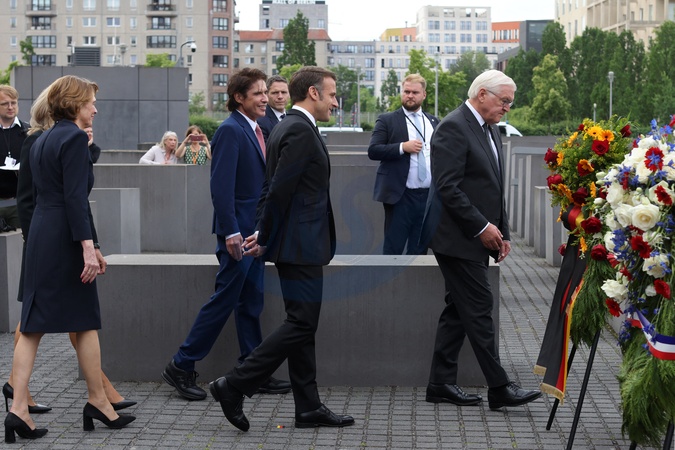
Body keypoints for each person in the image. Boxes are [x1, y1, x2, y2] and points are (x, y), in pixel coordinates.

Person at [209, 66, 354, 432]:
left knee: (302, 325)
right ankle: (234, 384)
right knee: (301, 323)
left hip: (296, 243)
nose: (336, 102)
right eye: (332, 95)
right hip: (300, 245)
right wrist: (265, 235)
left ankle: (308, 407)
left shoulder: (286, 127)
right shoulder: (298, 130)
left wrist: (262, 232)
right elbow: (277, 191)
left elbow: (269, 187)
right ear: (314, 93)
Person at [4, 75, 136, 444]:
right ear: (76, 104)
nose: (95, 109)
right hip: (65, 235)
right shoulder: (75, 138)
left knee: (33, 323)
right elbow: (76, 199)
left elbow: (46, 195)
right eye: (91, 102)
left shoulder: (42, 138)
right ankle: (98, 401)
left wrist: (89, 245)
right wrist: (88, 248)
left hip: (42, 233)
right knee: (85, 319)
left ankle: (18, 409)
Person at [162, 68, 291, 401]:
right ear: (238, 97)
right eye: (258, 93)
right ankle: (181, 364)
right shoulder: (230, 130)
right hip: (237, 235)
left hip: (254, 235)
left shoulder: (256, 129)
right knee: (224, 301)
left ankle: (253, 371)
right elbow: (220, 188)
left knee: (251, 303)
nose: (265, 98)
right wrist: (232, 231)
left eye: (266, 92)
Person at [420, 70, 541, 410]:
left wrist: (502, 232)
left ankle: (440, 384)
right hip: (455, 238)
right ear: (483, 94)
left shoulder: (489, 129)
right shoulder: (453, 127)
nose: (508, 108)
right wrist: (481, 228)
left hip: (474, 236)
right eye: (505, 101)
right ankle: (499, 387)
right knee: (479, 307)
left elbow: (492, 187)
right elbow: (448, 188)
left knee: (459, 310)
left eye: (510, 102)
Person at [368, 74, 439, 255]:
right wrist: (402, 147)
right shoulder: (387, 120)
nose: (410, 96)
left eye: (415, 92)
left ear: (424, 94)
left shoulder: (434, 122)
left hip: (427, 197)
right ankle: (390, 275)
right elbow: (373, 150)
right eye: (406, 91)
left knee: (419, 250)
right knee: (393, 249)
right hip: (400, 197)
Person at [0, 85, 29, 229]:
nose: (10, 107)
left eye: (13, 103)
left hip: (19, 202)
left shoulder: (28, 131)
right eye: (5, 104)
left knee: (20, 240)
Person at [257, 75, 289, 142]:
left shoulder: (292, 117)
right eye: (275, 93)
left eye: (283, 92)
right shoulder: (260, 121)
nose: (280, 96)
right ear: (266, 94)